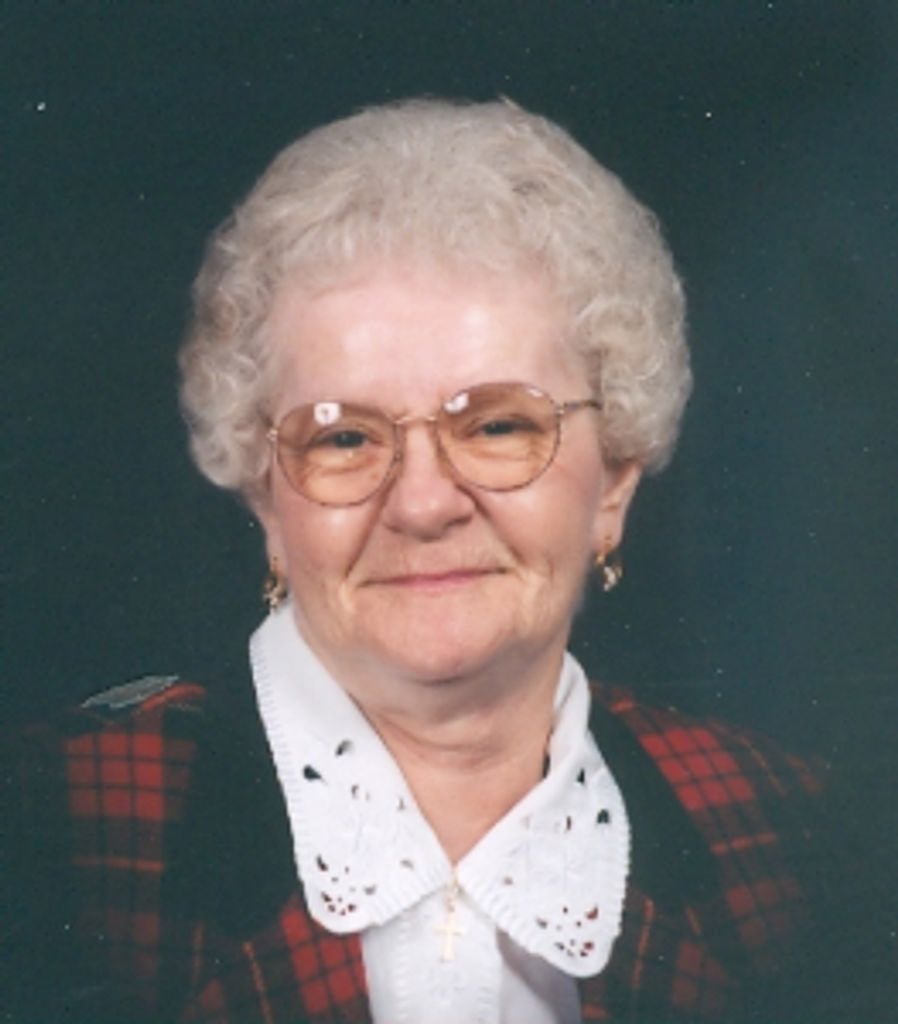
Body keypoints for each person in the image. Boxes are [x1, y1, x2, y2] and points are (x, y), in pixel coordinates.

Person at [2, 98, 835, 1023]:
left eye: (499, 427)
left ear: (614, 482)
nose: (424, 504)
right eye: (344, 438)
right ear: (267, 500)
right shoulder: (46, 828)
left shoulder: (798, 837)